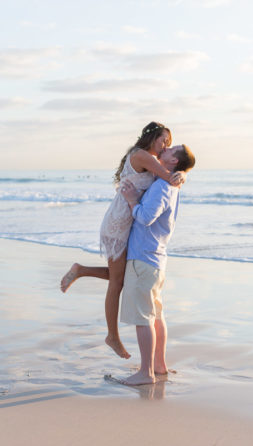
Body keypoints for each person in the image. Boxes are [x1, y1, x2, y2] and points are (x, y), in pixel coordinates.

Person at [60, 122, 186, 359]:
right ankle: (112, 336)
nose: (166, 145)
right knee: (117, 282)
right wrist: (182, 175)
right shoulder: (143, 156)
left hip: (127, 221)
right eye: (164, 140)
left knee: (125, 276)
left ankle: (80, 270)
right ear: (151, 138)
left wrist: (182, 173)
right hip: (119, 223)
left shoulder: (149, 158)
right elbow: (169, 176)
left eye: (169, 142)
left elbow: (169, 175)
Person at [117, 144, 196, 385]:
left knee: (144, 318)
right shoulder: (171, 184)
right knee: (155, 316)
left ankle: (145, 373)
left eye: (172, 149)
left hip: (143, 257)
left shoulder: (163, 186)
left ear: (173, 162)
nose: (166, 148)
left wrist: (132, 201)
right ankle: (159, 366)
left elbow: (145, 217)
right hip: (156, 259)